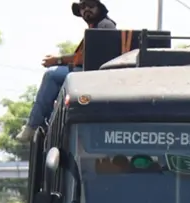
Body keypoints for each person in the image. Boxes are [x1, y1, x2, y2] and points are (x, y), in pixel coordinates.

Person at [17, 0, 117, 141]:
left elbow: (89, 57)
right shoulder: (95, 27)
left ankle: (33, 125)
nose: (86, 9)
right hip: (88, 72)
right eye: (83, 7)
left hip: (93, 74)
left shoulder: (105, 26)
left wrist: (58, 60)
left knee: (51, 75)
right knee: (57, 86)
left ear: (99, 8)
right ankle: (48, 122)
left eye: (90, 5)